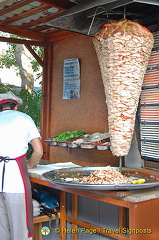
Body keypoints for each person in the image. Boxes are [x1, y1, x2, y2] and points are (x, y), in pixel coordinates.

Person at [0, 91, 43, 240]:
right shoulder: (24, 118)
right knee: (20, 226)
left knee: (1, 227)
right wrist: (30, 164)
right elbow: (38, 151)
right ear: (15, 106)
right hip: (14, 178)